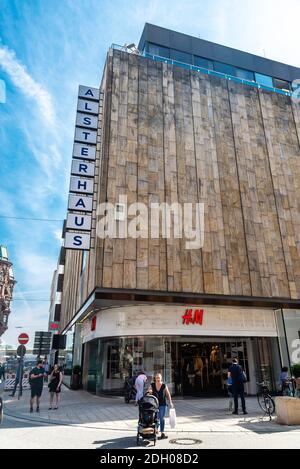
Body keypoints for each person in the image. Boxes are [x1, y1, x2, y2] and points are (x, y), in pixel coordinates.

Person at [151, 373, 173, 439]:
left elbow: (168, 394)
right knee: (156, 419)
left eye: (159, 378)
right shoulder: (152, 385)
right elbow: (148, 392)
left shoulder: (164, 385)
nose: (157, 379)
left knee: (162, 418)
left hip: (163, 404)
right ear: (155, 378)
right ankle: (154, 432)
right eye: (156, 378)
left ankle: (162, 432)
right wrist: (149, 392)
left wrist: (170, 402)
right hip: (155, 405)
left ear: (161, 378)